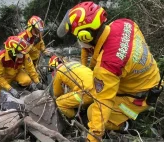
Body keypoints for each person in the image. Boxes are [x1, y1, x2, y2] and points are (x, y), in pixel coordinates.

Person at [57, 1, 161, 141]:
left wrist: (93, 137)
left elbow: (102, 106)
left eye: (77, 36)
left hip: (137, 99)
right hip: (150, 79)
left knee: (91, 112)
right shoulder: (124, 24)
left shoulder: (107, 65)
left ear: (85, 36)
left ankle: (124, 124)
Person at [0, 36, 46, 101]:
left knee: (27, 81)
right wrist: (9, 88)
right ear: (11, 51)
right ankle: (11, 86)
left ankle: (22, 86)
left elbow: (30, 68)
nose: (22, 54)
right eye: (19, 52)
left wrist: (37, 82)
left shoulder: (24, 54)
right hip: (5, 77)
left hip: (17, 72)